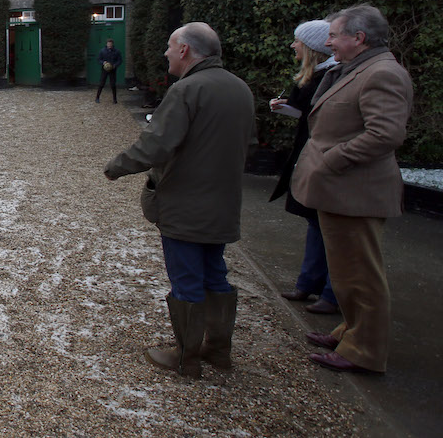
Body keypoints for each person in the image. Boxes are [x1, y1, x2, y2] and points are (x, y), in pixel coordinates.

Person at [104, 22, 256, 378]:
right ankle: (218, 350)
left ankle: (186, 356)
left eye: (171, 47)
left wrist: (116, 166)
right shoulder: (239, 88)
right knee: (215, 272)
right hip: (224, 198)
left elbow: (156, 144)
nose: (166, 53)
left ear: (186, 50)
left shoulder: (187, 90)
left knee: (186, 276)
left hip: (187, 200)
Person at [292, 4, 412, 375]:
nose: (328, 43)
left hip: (356, 191)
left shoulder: (383, 74)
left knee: (361, 274)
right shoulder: (357, 68)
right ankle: (350, 331)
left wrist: (332, 160)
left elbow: (386, 134)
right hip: (341, 191)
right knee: (346, 272)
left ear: (358, 38)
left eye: (334, 36)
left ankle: (364, 350)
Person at [268, 20, 339, 315]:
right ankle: (309, 282)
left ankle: (332, 294)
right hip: (309, 154)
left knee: (332, 228)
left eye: (298, 41)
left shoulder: (334, 76)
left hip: (326, 160)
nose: (293, 46)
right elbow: (309, 114)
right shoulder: (315, 76)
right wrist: (288, 108)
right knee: (315, 222)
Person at [96, 38, 123, 104]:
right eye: (108, 43)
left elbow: (120, 60)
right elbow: (99, 59)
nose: (109, 45)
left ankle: (114, 99)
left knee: (113, 84)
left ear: (112, 44)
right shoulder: (102, 51)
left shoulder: (117, 51)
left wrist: (115, 65)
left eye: (110, 43)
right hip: (104, 70)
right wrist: (103, 62)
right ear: (106, 44)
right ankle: (97, 98)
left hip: (113, 70)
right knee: (101, 83)